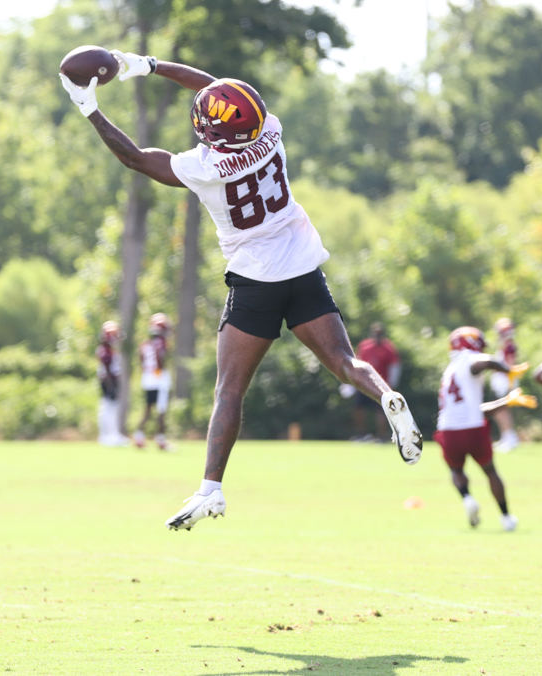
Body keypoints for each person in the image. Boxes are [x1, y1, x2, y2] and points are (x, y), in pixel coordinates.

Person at [60, 52, 422, 531]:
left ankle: (211, 489)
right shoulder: (269, 130)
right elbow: (224, 89)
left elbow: (134, 158)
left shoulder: (204, 167)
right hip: (304, 267)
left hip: (255, 281)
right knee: (345, 361)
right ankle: (387, 396)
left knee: (229, 390)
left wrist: (88, 106)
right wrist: (143, 64)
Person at [433, 327, 534, 531]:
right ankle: (506, 517)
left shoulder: (450, 370)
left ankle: (467, 498)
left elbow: (475, 409)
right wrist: (509, 370)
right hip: (473, 429)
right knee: (490, 471)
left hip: (447, 430)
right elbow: (485, 362)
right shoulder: (469, 360)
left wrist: (507, 400)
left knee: (456, 470)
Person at [350, 322, 401, 442]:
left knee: (381, 411)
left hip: (381, 385)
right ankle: (362, 434)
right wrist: (351, 382)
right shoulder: (365, 346)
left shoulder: (388, 348)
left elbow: (395, 366)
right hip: (364, 383)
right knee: (358, 408)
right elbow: (356, 362)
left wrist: (392, 384)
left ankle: (382, 436)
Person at [133, 313, 174, 451]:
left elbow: (141, 360)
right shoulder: (161, 343)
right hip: (159, 378)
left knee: (148, 409)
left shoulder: (145, 344)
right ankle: (160, 439)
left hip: (147, 378)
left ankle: (139, 435)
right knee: (161, 410)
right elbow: (160, 359)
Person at [488, 318, 521, 453]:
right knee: (500, 411)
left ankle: (510, 437)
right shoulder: (505, 346)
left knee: (502, 411)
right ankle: (506, 436)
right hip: (502, 382)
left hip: (505, 382)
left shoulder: (509, 347)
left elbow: (510, 366)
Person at [97, 321, 130, 447]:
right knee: (108, 409)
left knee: (112, 408)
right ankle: (107, 436)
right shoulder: (105, 351)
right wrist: (110, 386)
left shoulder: (110, 350)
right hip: (108, 382)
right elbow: (106, 370)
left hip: (111, 381)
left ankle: (113, 434)